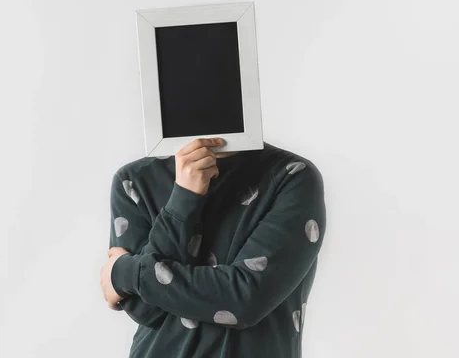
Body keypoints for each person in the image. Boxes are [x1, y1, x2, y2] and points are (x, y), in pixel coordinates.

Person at [100, 137, 327, 358]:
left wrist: (125, 273)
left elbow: (245, 300)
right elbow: (144, 310)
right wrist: (183, 198)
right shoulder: (133, 181)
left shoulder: (292, 174)